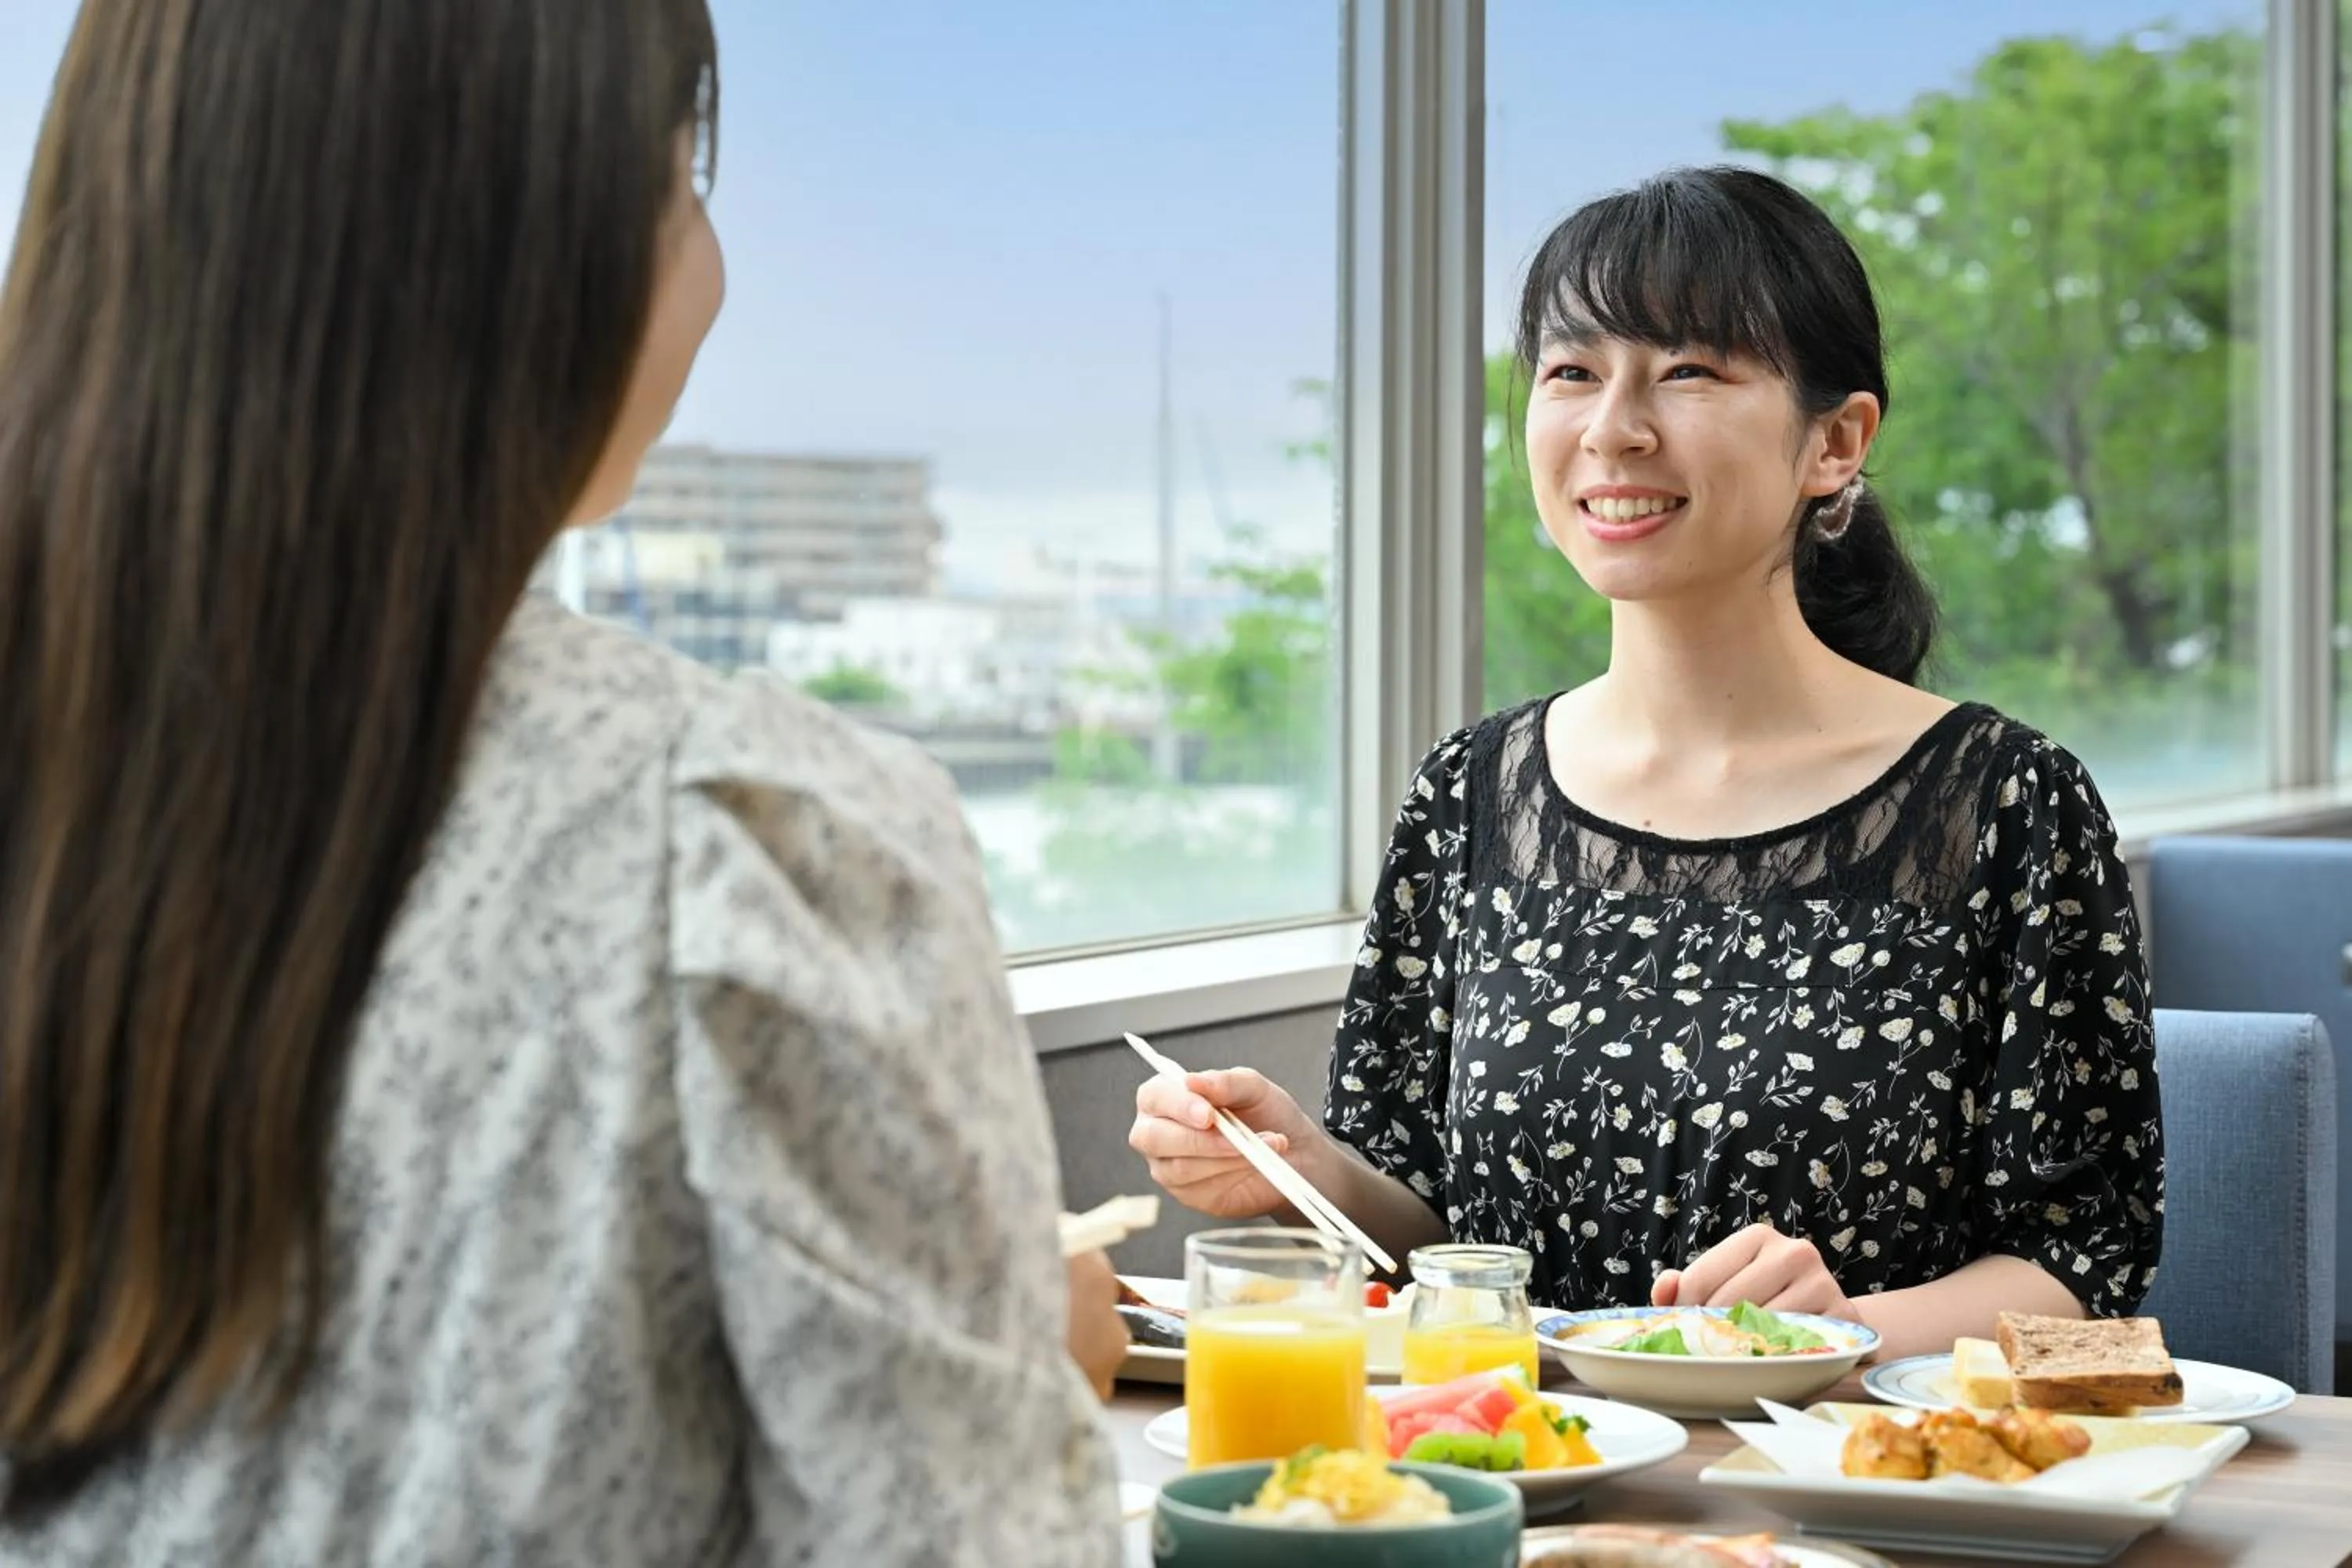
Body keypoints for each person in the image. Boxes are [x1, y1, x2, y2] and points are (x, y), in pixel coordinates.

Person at [0, 2, 1122, 1563]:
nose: (714, 268)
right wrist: (1024, 1387)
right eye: (686, 180)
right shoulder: (756, 843)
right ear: (537, 250)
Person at [1132, 166, 2161, 1363]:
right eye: (1572, 372)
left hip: (1846, 1458)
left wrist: (1838, 1332)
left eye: (1687, 372)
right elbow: (1436, 1239)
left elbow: (2083, 1265)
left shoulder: (2007, 804)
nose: (1613, 428)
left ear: (1836, 442)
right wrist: (1303, 1169)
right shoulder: (1470, 793)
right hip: (1526, 1454)